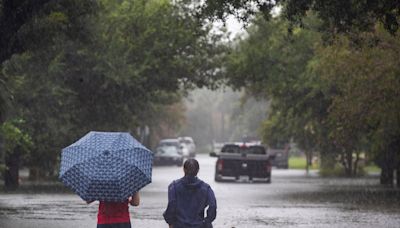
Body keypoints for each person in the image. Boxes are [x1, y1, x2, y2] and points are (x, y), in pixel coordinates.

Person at [163, 159, 217, 228]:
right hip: (199, 225)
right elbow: (213, 205)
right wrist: (207, 221)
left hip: (179, 225)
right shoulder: (206, 188)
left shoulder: (174, 186)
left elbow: (171, 204)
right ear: (198, 170)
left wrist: (170, 221)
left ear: (184, 169)